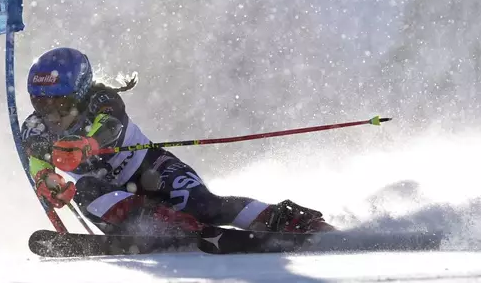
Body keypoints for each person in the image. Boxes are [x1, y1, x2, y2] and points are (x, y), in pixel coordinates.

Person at [21, 47, 335, 236]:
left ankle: (284, 219)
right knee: (85, 189)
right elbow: (38, 158)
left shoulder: (101, 98)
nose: (49, 113)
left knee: (206, 207)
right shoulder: (35, 128)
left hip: (151, 169)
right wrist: (47, 180)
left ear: (79, 92)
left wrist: (88, 143)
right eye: (39, 103)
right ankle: (167, 227)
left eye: (57, 102)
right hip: (111, 198)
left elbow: (111, 123)